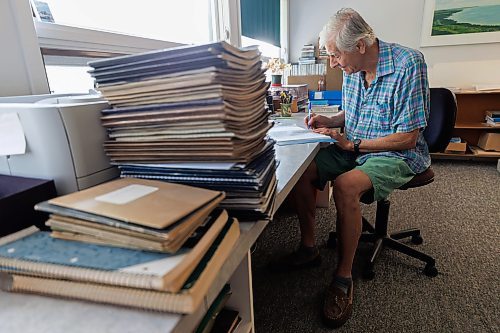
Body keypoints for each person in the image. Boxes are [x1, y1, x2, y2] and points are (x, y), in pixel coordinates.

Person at [279, 8, 431, 328]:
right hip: (354, 144)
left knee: (347, 185)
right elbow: (351, 113)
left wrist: (355, 146)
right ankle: (309, 249)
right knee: (301, 168)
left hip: (394, 153)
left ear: (360, 46)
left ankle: (343, 279)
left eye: (335, 55)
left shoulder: (408, 65)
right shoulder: (351, 69)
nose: (333, 63)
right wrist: (329, 120)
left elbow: (408, 137)